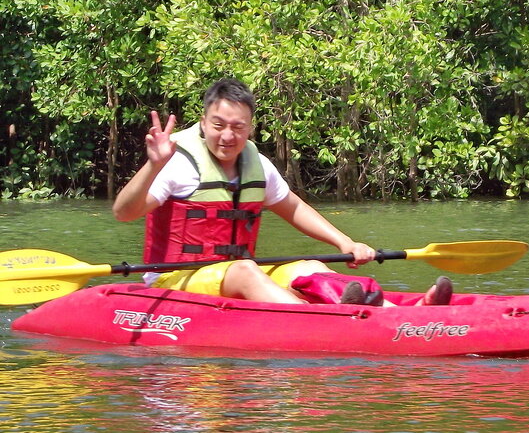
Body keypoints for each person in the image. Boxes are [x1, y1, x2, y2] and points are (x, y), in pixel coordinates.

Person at [113, 78, 452, 306]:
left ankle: (401, 314)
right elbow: (124, 212)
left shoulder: (257, 164)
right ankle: (324, 322)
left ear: (250, 127)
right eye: (218, 125)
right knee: (245, 270)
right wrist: (153, 165)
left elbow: (293, 207)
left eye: (238, 127)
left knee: (308, 268)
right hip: (173, 282)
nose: (227, 136)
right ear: (203, 122)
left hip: (235, 275)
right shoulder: (176, 162)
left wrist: (345, 243)